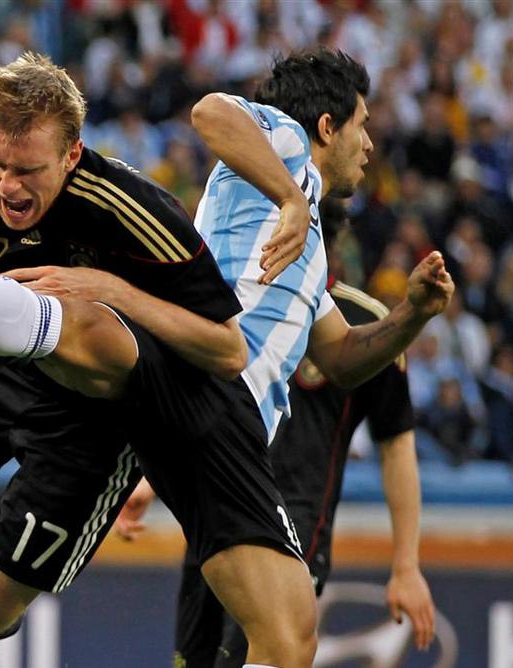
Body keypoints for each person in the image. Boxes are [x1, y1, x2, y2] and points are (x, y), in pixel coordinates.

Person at [0, 48, 454, 668]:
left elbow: (323, 360)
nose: (7, 184)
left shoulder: (239, 239)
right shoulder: (288, 157)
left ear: (70, 155)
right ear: (327, 126)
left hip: (169, 404)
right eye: (362, 125)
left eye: (27, 169)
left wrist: (415, 314)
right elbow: (212, 112)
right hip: (85, 348)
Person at [114, 199, 437, 666]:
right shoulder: (230, 307)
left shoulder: (366, 324)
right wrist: (150, 480)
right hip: (216, 506)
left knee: (262, 653)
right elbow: (197, 403)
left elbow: (397, 442)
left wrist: (406, 566)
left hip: (294, 529)